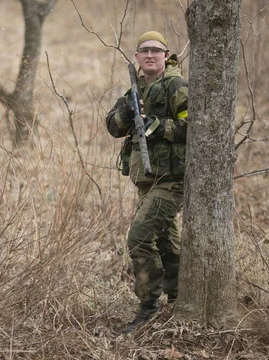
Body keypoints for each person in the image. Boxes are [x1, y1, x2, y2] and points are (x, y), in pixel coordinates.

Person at [106, 31, 188, 333]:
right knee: (167, 241)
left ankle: (148, 308)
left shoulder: (176, 86)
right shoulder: (136, 88)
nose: (151, 55)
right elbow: (112, 126)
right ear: (138, 58)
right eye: (145, 51)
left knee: (139, 238)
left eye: (157, 50)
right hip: (147, 180)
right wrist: (126, 115)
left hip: (172, 180)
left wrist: (156, 126)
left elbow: (194, 126)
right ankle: (179, 299)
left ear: (166, 56)